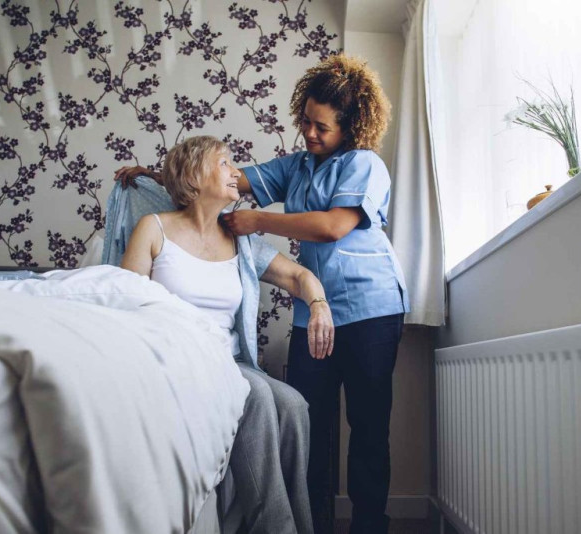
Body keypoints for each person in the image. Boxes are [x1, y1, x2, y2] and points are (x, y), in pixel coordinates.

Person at [116, 54, 409, 534]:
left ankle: (369, 526)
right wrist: (154, 175)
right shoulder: (297, 167)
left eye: (322, 127)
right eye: (306, 123)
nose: (310, 134)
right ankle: (309, 523)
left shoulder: (364, 165)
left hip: (369, 308)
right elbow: (218, 179)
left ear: (351, 127)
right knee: (306, 420)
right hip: (310, 314)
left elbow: (334, 226)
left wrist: (259, 221)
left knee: (369, 426)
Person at [119, 135, 335, 534]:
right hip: (177, 360)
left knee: (293, 406)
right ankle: (276, 528)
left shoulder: (241, 240)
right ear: (195, 175)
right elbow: (126, 303)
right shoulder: (153, 229)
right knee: (255, 395)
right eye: (225, 164)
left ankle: (302, 527)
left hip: (228, 362)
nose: (237, 172)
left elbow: (299, 276)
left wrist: (319, 305)